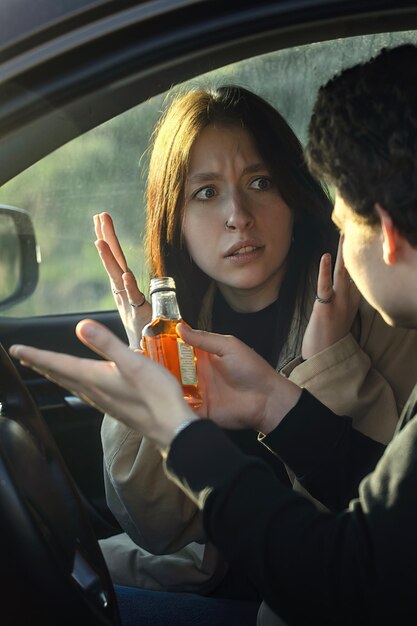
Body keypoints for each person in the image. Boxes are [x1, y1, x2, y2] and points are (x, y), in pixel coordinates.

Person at [10, 42, 417, 624]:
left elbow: (361, 545)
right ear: (172, 216)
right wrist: (148, 366)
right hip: (218, 583)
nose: (238, 216)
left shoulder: (375, 312)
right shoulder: (179, 325)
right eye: (206, 192)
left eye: (260, 182)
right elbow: (155, 531)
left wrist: (329, 368)